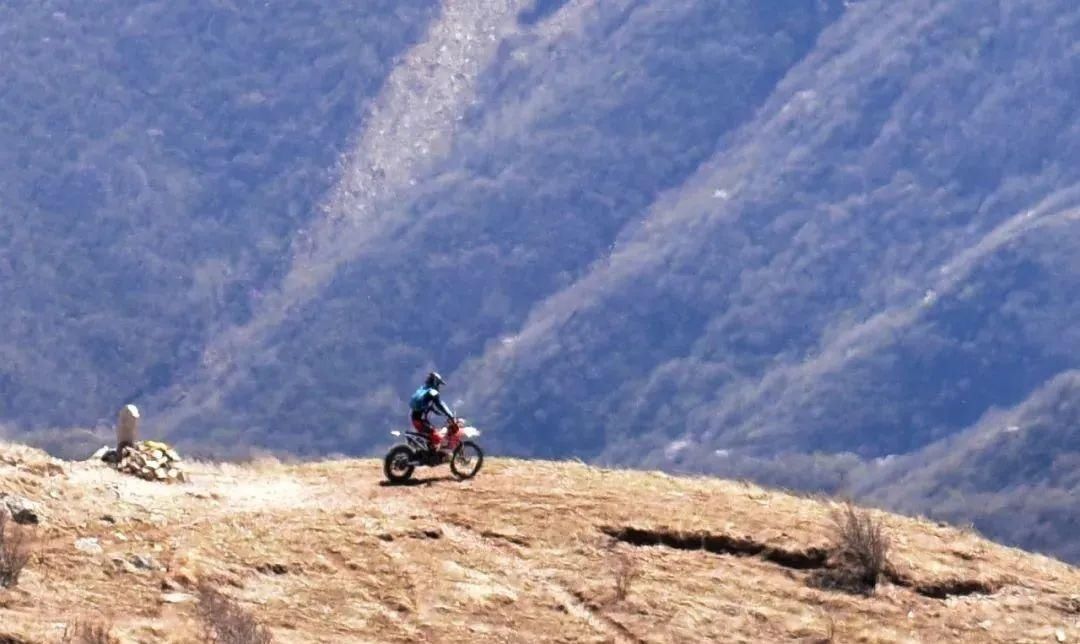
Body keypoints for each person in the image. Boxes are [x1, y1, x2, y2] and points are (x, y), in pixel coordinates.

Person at [409, 371, 457, 452]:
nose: (438, 387)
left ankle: (426, 451)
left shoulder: (423, 388)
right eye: (438, 384)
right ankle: (430, 456)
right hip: (419, 421)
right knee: (436, 436)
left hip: (414, 418)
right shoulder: (432, 392)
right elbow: (440, 404)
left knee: (431, 434)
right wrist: (450, 415)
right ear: (435, 383)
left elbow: (426, 405)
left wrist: (435, 411)